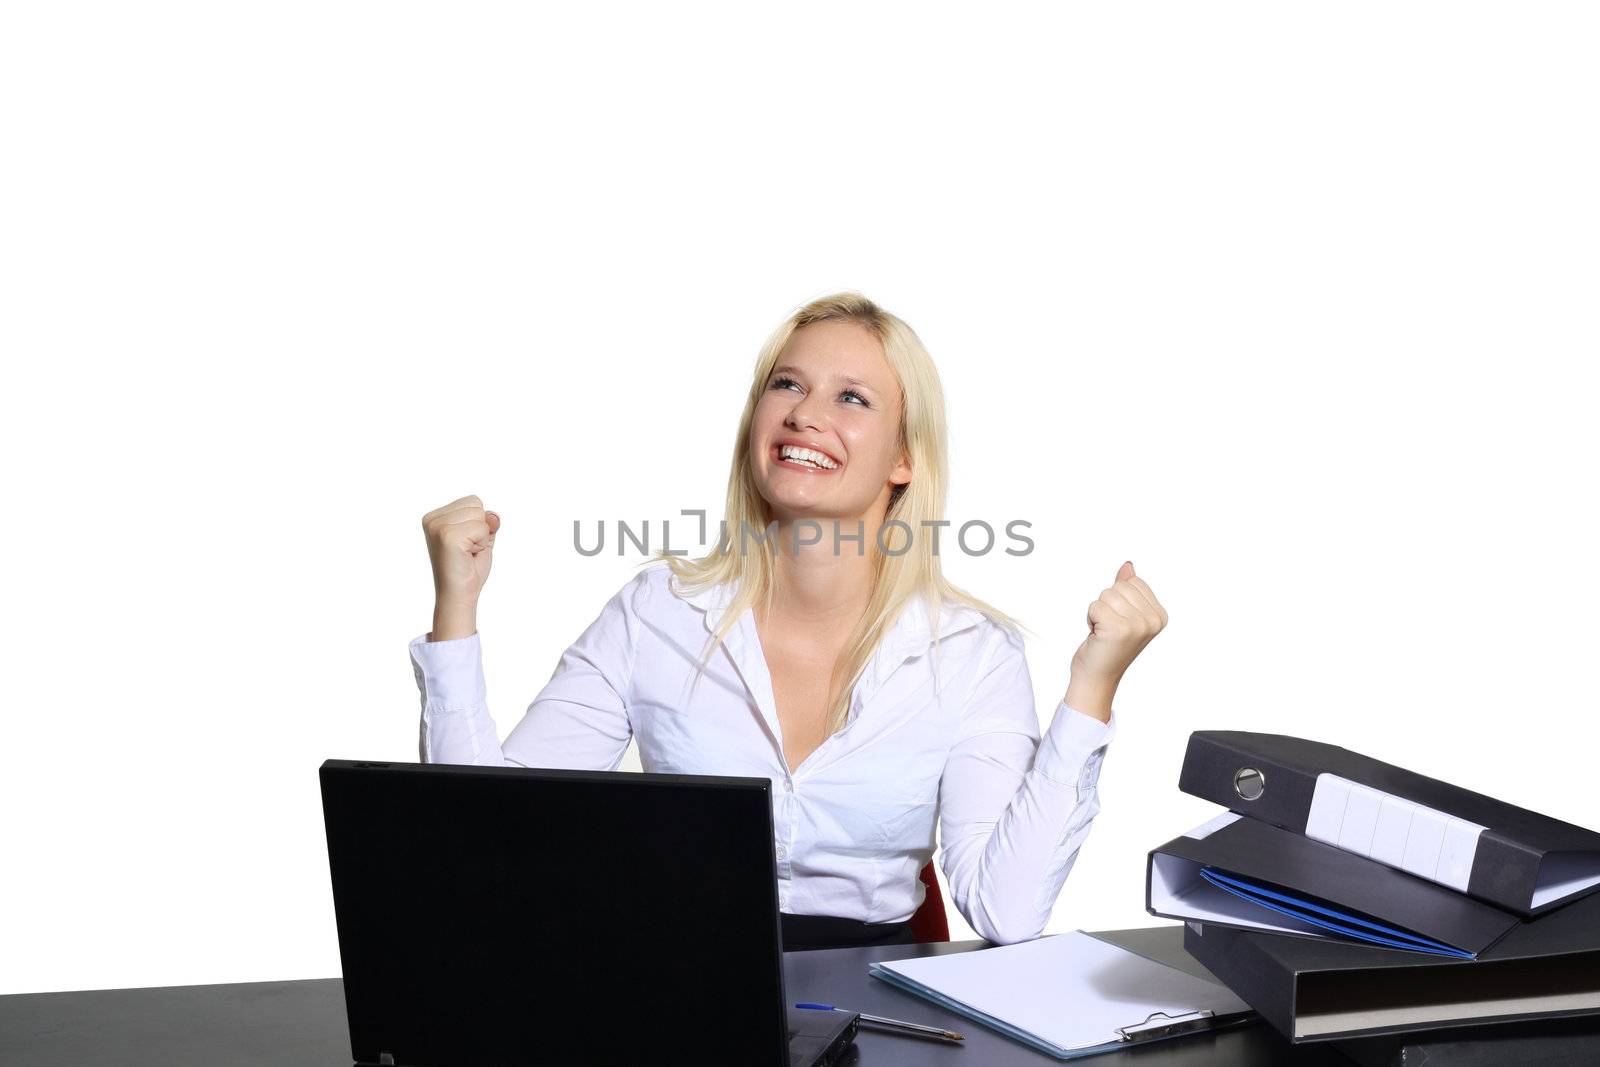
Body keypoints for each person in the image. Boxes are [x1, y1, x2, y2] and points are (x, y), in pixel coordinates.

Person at [410, 291, 1167, 951]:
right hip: (678, 986)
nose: (805, 414)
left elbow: (1005, 909)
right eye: (787, 385)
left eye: (852, 398)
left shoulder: (972, 653)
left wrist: (1092, 686)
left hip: (879, 1001)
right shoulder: (655, 612)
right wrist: (458, 607)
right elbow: (486, 837)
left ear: (904, 457)